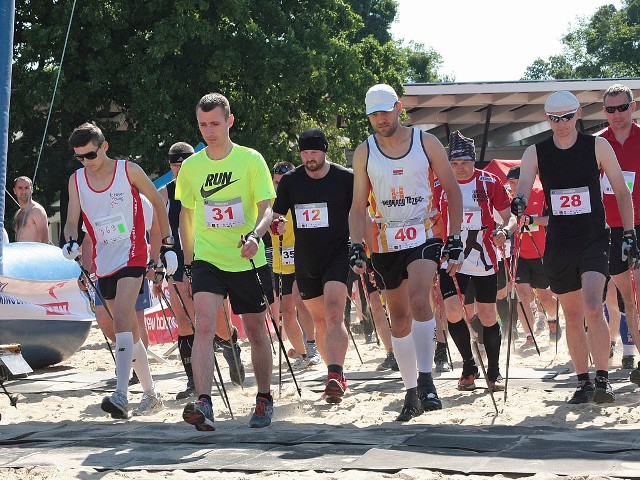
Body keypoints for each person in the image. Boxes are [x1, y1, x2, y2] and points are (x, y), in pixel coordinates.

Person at [349, 83, 464, 422]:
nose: (380, 119)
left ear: (399, 108)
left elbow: (453, 192)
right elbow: (357, 205)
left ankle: (428, 379)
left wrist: (454, 236)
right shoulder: (364, 151)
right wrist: (357, 244)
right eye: (374, 114)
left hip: (425, 230)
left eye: (385, 111)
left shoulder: (425, 142)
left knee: (418, 299)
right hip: (386, 238)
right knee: (398, 316)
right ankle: (411, 388)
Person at [513, 90, 636, 404]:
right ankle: (582, 382)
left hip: (594, 238)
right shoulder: (536, 152)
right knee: (571, 314)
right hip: (559, 243)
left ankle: (603, 380)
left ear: (578, 113)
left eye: (567, 117)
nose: (562, 124)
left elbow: (622, 192)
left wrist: (631, 232)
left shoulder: (597, 145)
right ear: (547, 118)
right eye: (555, 119)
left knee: (594, 305)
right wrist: (519, 203)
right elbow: (524, 186)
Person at [62, 122, 177, 419]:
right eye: (80, 157)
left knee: (125, 317)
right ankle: (151, 394)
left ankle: (121, 394)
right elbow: (72, 220)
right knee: (124, 331)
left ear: (105, 146)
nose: (86, 162)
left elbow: (158, 203)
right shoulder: (76, 180)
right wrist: (71, 241)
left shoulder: (129, 170)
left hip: (133, 254)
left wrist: (167, 244)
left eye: (90, 155)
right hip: (104, 259)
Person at [176, 92, 276, 430]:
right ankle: (204, 402)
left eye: (215, 124)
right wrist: (188, 264)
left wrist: (256, 235)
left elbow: (267, 208)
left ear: (229, 121)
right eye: (203, 125)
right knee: (204, 325)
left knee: (256, 331)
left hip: (247, 255)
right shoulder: (191, 167)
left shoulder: (251, 160)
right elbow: (186, 218)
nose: (209, 131)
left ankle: (263, 398)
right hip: (208, 258)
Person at [158, 142, 246, 399]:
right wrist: (159, 260)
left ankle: (230, 344)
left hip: (209, 259)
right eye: (175, 165)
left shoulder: (209, 186)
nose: (180, 170)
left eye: (184, 164)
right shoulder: (165, 193)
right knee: (185, 321)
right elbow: (159, 232)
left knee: (219, 324)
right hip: (177, 261)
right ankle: (193, 381)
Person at [272, 127, 352, 404]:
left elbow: (360, 212)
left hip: (338, 254)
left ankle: (335, 374)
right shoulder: (291, 182)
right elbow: (277, 214)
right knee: (319, 322)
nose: (309, 158)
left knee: (333, 314)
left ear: (324, 151)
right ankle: (334, 373)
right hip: (305, 259)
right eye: (305, 153)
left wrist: (362, 246)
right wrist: (277, 224)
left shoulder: (345, 178)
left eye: (314, 152)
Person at [435, 130, 514, 395]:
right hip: (451, 258)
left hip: (484, 257)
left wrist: (505, 231)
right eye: (454, 164)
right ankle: (469, 365)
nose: (459, 168)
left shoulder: (490, 182)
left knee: (488, 314)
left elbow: (509, 217)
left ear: (473, 161)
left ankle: (494, 369)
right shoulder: (439, 186)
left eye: (464, 163)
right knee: (454, 312)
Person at [598, 83, 640, 385]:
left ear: (632, 106)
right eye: (610, 109)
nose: (617, 114)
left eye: (622, 107)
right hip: (609, 229)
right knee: (627, 299)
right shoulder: (597, 144)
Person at [269, 161, 321, 370]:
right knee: (287, 311)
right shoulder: (270, 202)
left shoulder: (302, 197)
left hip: (302, 256)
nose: (279, 186)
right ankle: (300, 352)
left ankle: (311, 346)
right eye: (276, 182)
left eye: (283, 182)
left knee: (301, 301)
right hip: (281, 261)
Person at [505, 166, 559, 349]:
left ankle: (552, 318)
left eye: (515, 182)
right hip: (519, 254)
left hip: (541, 253)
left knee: (545, 296)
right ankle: (529, 336)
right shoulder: (508, 199)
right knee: (523, 295)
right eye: (510, 183)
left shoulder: (541, 194)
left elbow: (552, 219)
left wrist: (531, 220)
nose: (511, 186)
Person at [12, 176, 51, 243]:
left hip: (34, 252)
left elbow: (45, 239)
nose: (23, 191)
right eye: (20, 188)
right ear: (14, 191)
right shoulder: (18, 212)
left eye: (26, 188)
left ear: (31, 190)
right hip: (20, 251)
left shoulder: (37, 210)